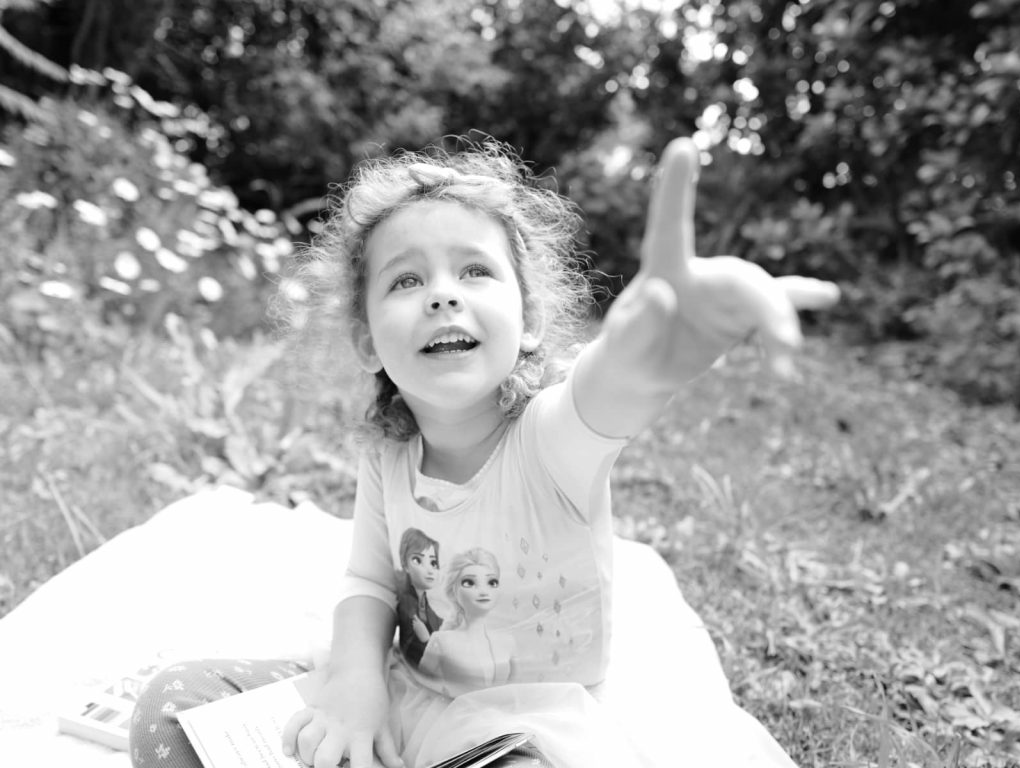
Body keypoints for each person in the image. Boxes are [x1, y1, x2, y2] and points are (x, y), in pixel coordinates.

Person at [128, 135, 839, 768]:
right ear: (368, 341)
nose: (442, 296)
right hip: (406, 695)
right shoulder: (389, 454)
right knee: (174, 707)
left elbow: (612, 385)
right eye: (406, 280)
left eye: (474, 271)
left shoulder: (552, 437)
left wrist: (654, 347)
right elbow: (369, 582)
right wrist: (354, 685)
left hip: (528, 728)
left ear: (529, 321)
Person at [418, 547, 516, 695]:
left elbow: (516, 691)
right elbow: (422, 686)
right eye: (469, 582)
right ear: (453, 591)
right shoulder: (441, 641)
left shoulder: (507, 641)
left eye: (492, 582)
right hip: (456, 708)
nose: (483, 591)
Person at [395, 527, 444, 667]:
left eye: (433, 563)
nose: (429, 570)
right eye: (417, 560)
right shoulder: (406, 603)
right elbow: (410, 645)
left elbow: (435, 621)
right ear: (405, 565)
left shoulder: (424, 601)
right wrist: (426, 640)